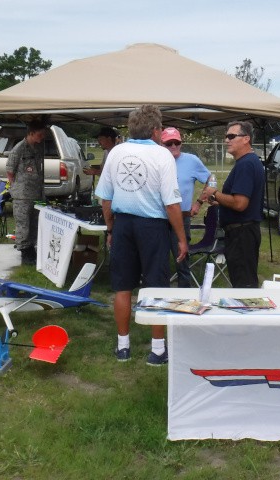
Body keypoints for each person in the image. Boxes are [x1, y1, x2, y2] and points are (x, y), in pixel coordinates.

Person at [95, 105, 187, 366]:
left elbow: (105, 199)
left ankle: (123, 346)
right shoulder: (162, 155)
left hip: (123, 224)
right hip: (152, 226)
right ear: (156, 130)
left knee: (122, 286)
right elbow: (171, 204)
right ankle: (157, 351)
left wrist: (111, 229)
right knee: (156, 286)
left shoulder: (116, 152)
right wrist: (181, 238)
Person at [201, 121, 264, 288]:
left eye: (231, 136)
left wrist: (214, 192)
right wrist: (219, 201)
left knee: (244, 287)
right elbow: (241, 201)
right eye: (226, 136)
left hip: (242, 234)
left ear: (246, 139)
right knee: (242, 283)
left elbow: (240, 204)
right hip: (242, 232)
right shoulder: (247, 162)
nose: (226, 140)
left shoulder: (246, 164)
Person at [161, 127, 211, 287]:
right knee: (158, 259)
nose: (173, 146)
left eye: (177, 142)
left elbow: (211, 180)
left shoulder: (191, 160)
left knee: (182, 258)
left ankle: (184, 291)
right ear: (162, 144)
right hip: (159, 218)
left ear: (181, 143)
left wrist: (199, 202)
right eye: (169, 143)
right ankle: (159, 292)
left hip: (182, 217)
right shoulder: (157, 160)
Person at [6, 119, 48, 265]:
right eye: (39, 134)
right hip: (22, 195)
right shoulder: (18, 149)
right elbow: (10, 171)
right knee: (23, 224)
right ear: (31, 133)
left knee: (34, 223)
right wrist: (17, 186)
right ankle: (25, 252)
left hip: (36, 192)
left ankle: (32, 249)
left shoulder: (38, 148)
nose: (42, 137)